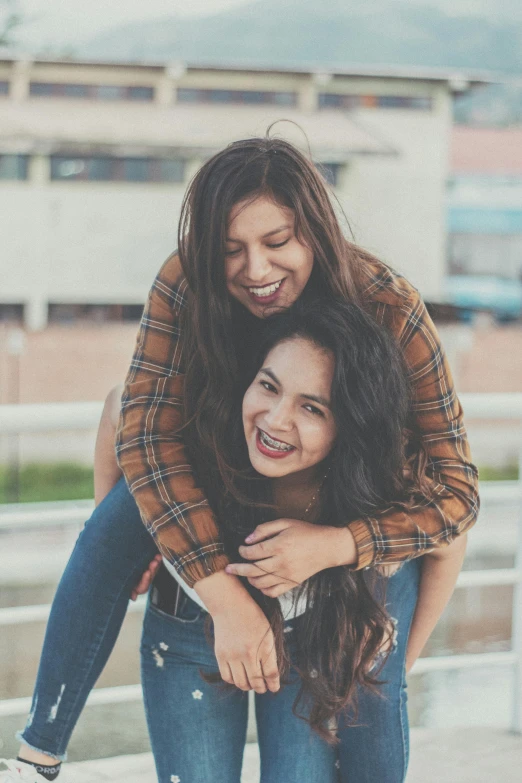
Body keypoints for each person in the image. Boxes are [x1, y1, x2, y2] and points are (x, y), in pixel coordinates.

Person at [1, 135, 479, 782]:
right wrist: (215, 590)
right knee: (123, 514)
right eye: (231, 249)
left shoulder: (388, 309)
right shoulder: (188, 282)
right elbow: (136, 429)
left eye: (276, 241)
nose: (254, 269)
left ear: (316, 228)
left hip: (330, 587)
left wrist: (337, 545)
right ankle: (37, 757)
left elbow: (455, 493)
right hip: (212, 552)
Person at [134, 297, 469, 782]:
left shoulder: (373, 487)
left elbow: (450, 540)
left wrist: (399, 663)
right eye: (269, 386)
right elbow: (118, 413)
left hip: (311, 644)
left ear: (347, 426)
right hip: (190, 635)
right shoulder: (203, 439)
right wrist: (143, 543)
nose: (275, 419)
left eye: (311, 407)